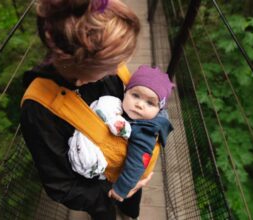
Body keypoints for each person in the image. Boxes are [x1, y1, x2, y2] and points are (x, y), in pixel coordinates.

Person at [20, 0, 151, 219]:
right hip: (96, 192)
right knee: (104, 214)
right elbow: (62, 186)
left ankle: (129, 213)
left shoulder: (110, 72)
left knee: (131, 207)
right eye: (112, 64)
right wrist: (114, 191)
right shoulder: (39, 111)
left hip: (129, 164)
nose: (120, 66)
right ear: (82, 68)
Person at [67, 65, 174, 202]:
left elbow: (137, 163)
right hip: (119, 170)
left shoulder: (145, 132)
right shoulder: (130, 113)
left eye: (150, 103)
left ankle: (131, 214)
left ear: (158, 110)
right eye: (135, 95)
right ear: (126, 92)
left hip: (129, 178)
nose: (139, 104)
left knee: (131, 201)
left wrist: (121, 189)